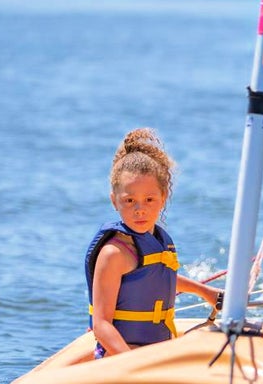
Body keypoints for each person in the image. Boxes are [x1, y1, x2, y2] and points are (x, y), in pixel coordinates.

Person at [84, 128, 222, 359]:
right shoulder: (114, 254)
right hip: (122, 357)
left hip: (158, 349)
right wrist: (133, 363)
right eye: (129, 201)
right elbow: (101, 325)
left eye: (149, 199)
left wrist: (204, 291)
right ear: (114, 201)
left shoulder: (156, 240)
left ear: (163, 197)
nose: (140, 209)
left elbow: (153, 277)